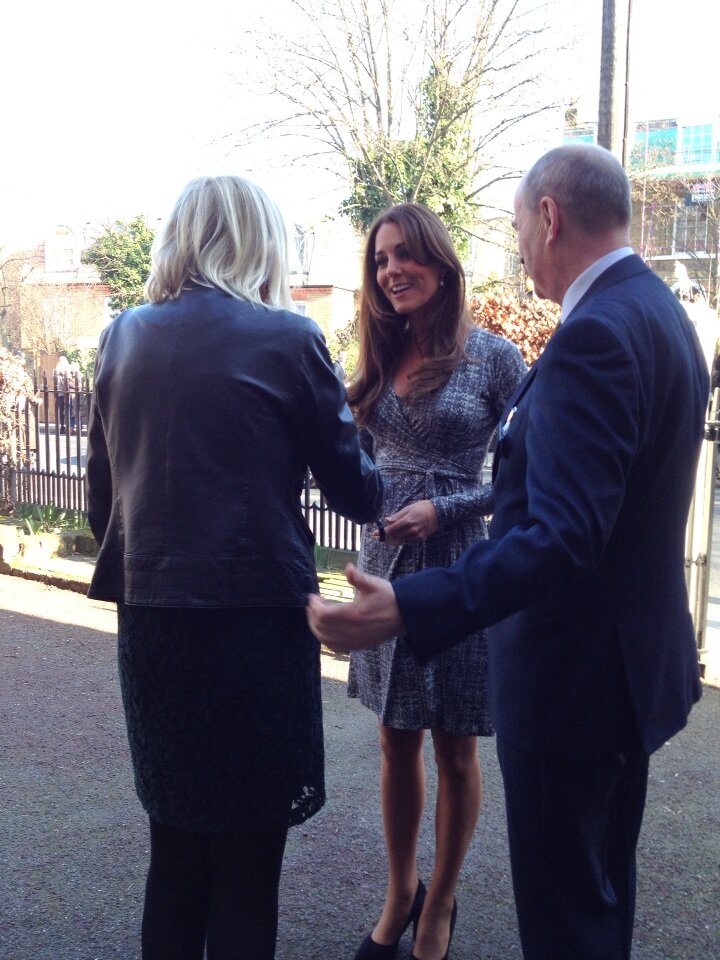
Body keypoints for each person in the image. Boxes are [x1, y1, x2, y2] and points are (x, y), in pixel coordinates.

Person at [307, 144, 709, 960]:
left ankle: (439, 907)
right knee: (596, 897)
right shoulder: (657, 312)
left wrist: (411, 604)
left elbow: (562, 532)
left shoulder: (592, 337)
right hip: (618, 670)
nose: (520, 246)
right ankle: (405, 899)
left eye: (520, 225)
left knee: (568, 921)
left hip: (573, 682)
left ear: (549, 217)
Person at [86, 174, 383, 960]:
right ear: (261, 243)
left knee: (174, 850)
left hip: (153, 625)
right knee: (250, 860)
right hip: (256, 626)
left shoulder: (121, 336)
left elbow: (101, 504)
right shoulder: (289, 339)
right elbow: (356, 493)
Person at [344, 203, 526, 960]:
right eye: (380, 260)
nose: (391, 271)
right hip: (384, 562)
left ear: (441, 264)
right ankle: (401, 892)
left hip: (458, 563)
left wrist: (441, 507)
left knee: (455, 744)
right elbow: (357, 461)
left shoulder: (494, 358)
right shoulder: (377, 354)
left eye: (404, 255)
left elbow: (523, 480)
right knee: (395, 739)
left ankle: (441, 901)